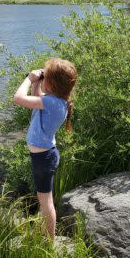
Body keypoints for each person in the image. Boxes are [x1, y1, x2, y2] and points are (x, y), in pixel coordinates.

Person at [13, 58, 77, 239]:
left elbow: (18, 99)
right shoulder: (57, 101)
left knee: (46, 203)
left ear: (54, 84)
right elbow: (37, 96)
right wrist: (39, 83)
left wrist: (29, 78)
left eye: (46, 76)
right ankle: (47, 235)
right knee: (44, 201)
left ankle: (49, 242)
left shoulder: (51, 103)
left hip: (43, 159)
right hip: (45, 156)